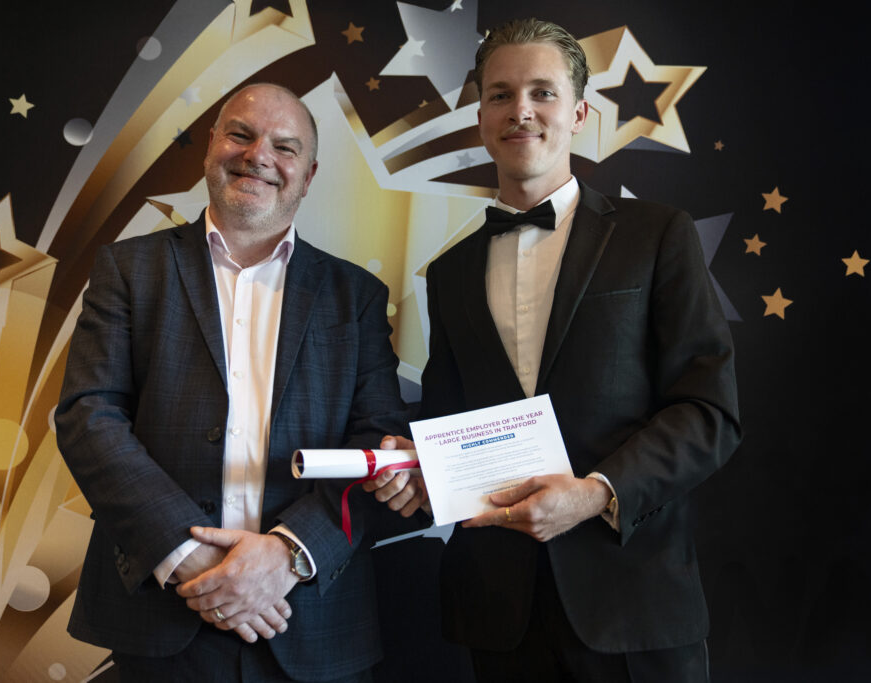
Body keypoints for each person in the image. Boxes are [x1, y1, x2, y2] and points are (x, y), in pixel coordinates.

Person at [367, 18, 742, 683]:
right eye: (501, 94)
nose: (521, 111)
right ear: (480, 116)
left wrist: (597, 493)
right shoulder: (448, 272)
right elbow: (453, 421)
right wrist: (415, 464)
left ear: (578, 113)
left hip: (633, 602)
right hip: (500, 610)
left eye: (542, 92)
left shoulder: (658, 235)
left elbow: (708, 412)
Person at [56, 83, 409, 682]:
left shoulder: (356, 297)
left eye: (284, 146)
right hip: (162, 612)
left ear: (309, 173)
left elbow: (378, 447)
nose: (258, 155)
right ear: (211, 147)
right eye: (240, 135)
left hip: (312, 617)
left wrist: (288, 554)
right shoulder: (128, 268)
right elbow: (89, 417)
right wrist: (187, 558)